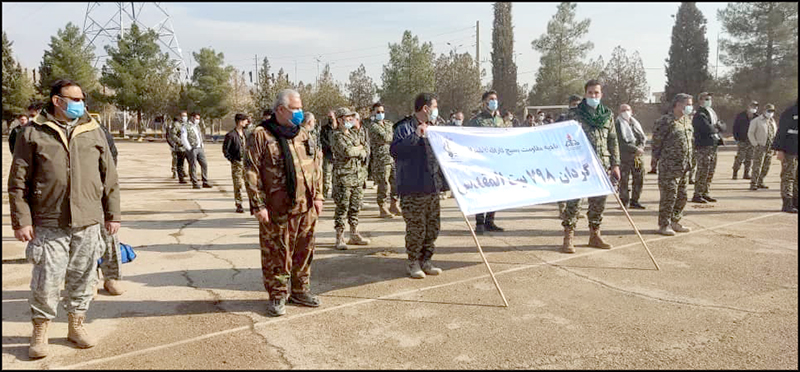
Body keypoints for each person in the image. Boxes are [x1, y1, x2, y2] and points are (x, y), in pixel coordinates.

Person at [9, 79, 121, 358]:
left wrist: (112, 214)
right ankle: (40, 332)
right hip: (49, 221)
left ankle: (76, 326)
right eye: (74, 99)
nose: (79, 104)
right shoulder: (32, 133)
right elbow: (17, 181)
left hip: (88, 219)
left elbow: (109, 177)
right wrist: (22, 220)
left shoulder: (94, 131)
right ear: (57, 100)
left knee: (83, 278)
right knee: (46, 279)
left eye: (82, 99)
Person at [244, 89, 323, 317]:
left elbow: (316, 167)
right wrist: (258, 205)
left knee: (304, 249)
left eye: (300, 107)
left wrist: (318, 196)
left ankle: (300, 290)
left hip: (305, 206)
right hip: (277, 208)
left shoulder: (304, 134)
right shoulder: (261, 135)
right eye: (295, 108)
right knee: (277, 253)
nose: (300, 112)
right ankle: (278, 295)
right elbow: (251, 171)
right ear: (280, 109)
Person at [560, 80, 620, 253]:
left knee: (598, 202)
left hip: (602, 165)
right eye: (590, 93)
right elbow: (565, 139)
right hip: (579, 165)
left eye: (597, 93)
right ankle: (568, 236)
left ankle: (595, 234)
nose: (594, 96)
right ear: (585, 94)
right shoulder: (574, 115)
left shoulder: (607, 114)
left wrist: (615, 164)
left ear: (601, 94)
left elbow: (612, 140)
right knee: (574, 202)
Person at [390, 92, 446, 279]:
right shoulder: (404, 128)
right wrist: (416, 135)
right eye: (435, 107)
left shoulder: (436, 128)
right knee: (416, 228)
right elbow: (396, 151)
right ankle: (413, 262)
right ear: (425, 108)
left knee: (433, 227)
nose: (436, 111)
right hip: (413, 188)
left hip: (432, 187)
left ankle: (426, 260)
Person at [464, 90, 508, 234]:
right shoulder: (476, 121)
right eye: (491, 99)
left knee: (495, 191)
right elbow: (469, 139)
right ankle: (480, 222)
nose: (494, 101)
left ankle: (490, 221)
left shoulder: (500, 121)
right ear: (484, 102)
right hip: (481, 162)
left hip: (498, 161)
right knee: (481, 191)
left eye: (495, 99)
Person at [652, 93, 694, 236]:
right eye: (687, 104)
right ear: (677, 105)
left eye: (690, 104)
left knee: (682, 195)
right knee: (669, 196)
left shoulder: (687, 121)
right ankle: (664, 224)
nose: (690, 107)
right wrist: (655, 160)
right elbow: (657, 142)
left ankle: (675, 221)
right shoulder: (665, 121)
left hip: (684, 166)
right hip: (669, 166)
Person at [331, 107, 371, 249]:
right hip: (344, 178)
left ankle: (354, 233)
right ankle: (339, 237)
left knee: (355, 207)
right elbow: (347, 151)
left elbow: (365, 148)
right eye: (346, 118)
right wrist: (358, 150)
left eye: (350, 117)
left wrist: (360, 150)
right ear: (339, 119)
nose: (349, 120)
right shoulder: (336, 136)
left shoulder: (354, 134)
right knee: (342, 207)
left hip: (357, 176)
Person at [367, 102, 400, 218]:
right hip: (381, 160)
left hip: (392, 157)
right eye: (378, 112)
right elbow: (385, 137)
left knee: (395, 182)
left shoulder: (388, 124)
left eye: (382, 112)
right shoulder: (373, 126)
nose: (381, 114)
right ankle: (383, 207)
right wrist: (389, 136)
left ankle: (394, 204)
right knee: (384, 185)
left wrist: (390, 137)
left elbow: (393, 137)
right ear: (373, 113)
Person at [690, 92, 724, 203]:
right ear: (700, 101)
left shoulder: (711, 112)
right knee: (703, 170)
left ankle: (705, 192)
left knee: (710, 170)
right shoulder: (700, 114)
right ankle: (697, 194)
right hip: (704, 146)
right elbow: (707, 128)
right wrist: (716, 127)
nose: (709, 100)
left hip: (713, 145)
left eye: (709, 99)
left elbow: (722, 126)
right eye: (706, 99)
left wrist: (717, 127)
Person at [615, 104, 646, 209]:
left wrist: (640, 148)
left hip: (637, 157)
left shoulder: (635, 123)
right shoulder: (618, 124)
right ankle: (624, 202)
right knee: (624, 180)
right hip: (625, 157)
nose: (626, 112)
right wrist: (635, 149)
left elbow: (642, 138)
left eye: (627, 110)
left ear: (631, 111)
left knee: (639, 179)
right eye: (623, 110)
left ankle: (635, 200)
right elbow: (621, 142)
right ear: (619, 112)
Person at [773, 100, 798, 213]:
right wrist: (780, 150)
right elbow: (781, 132)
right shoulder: (790, 112)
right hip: (789, 149)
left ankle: (795, 202)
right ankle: (787, 203)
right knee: (788, 176)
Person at [223, 113, 251, 213]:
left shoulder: (246, 134)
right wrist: (232, 159)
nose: (247, 123)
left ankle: (252, 203)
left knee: (250, 183)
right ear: (240, 122)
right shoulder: (231, 135)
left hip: (247, 162)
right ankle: (239, 204)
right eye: (245, 121)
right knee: (238, 184)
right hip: (237, 163)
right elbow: (226, 150)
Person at [748, 104, 778, 191]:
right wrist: (755, 144)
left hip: (770, 146)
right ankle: (753, 183)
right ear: (764, 111)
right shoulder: (756, 121)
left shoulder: (772, 121)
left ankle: (760, 181)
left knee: (766, 166)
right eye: (769, 111)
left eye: (772, 111)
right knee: (757, 165)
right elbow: (750, 133)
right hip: (760, 146)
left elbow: (774, 134)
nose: (770, 113)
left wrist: (775, 147)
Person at [181, 112, 211, 189]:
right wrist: (189, 147)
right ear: (192, 118)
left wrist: (202, 144)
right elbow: (184, 138)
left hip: (199, 148)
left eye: (198, 119)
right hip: (192, 148)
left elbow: (199, 135)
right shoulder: (185, 126)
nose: (198, 120)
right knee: (193, 166)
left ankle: (205, 181)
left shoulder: (197, 126)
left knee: (204, 164)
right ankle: (194, 182)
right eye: (196, 118)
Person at [732, 100, 759, 179]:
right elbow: (735, 128)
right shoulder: (740, 116)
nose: (755, 108)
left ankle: (746, 173)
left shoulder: (757, 117)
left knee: (749, 158)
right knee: (740, 157)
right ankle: (735, 172)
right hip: (742, 140)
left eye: (756, 106)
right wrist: (737, 139)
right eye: (753, 106)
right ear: (748, 106)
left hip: (752, 141)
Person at [320, 110, 337, 198]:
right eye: (329, 117)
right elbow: (323, 141)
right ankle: (324, 195)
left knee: (336, 178)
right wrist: (331, 148)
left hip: (338, 157)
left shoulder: (339, 128)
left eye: (331, 117)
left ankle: (335, 195)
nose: (330, 119)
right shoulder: (324, 129)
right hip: (328, 156)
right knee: (326, 177)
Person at [168, 113, 189, 184]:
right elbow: (172, 135)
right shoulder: (176, 124)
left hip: (188, 147)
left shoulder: (186, 124)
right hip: (179, 147)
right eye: (183, 116)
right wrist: (180, 142)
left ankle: (189, 175)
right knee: (178, 161)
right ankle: (177, 174)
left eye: (186, 116)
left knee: (189, 162)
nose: (185, 117)